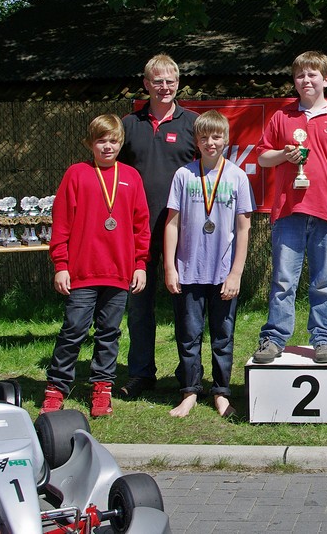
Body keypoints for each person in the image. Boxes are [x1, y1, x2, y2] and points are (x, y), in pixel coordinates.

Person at [252, 51, 327, 365]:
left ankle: (324, 339)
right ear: (295, 80)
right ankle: (274, 338)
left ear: (326, 79)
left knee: (325, 280)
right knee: (283, 280)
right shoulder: (282, 116)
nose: (306, 80)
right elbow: (262, 157)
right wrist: (283, 155)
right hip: (289, 212)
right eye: (301, 75)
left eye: (313, 74)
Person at [41, 115, 150, 417]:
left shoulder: (131, 176)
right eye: (101, 140)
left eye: (113, 141)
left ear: (121, 143)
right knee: (73, 329)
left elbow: (141, 226)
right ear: (90, 144)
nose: (107, 146)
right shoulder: (77, 174)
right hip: (82, 271)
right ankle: (57, 387)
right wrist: (61, 265)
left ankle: (102, 387)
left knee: (109, 332)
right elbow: (61, 223)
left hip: (119, 271)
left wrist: (139, 264)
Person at [118, 53, 198, 399]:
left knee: (187, 310)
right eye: (157, 81)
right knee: (139, 308)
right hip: (137, 233)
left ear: (178, 83)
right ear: (146, 84)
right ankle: (140, 373)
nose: (164, 87)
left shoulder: (194, 124)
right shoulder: (127, 125)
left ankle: (189, 375)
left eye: (170, 81)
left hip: (184, 233)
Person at [164, 110, 254, 418]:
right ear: (196, 140)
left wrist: (236, 273)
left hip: (223, 273)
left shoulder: (237, 176)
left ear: (226, 140)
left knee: (222, 335)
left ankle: (221, 392)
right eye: (204, 137)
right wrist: (170, 267)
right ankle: (190, 391)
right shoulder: (183, 175)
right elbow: (172, 224)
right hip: (188, 270)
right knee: (189, 334)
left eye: (216, 136)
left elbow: (243, 228)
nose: (210, 142)